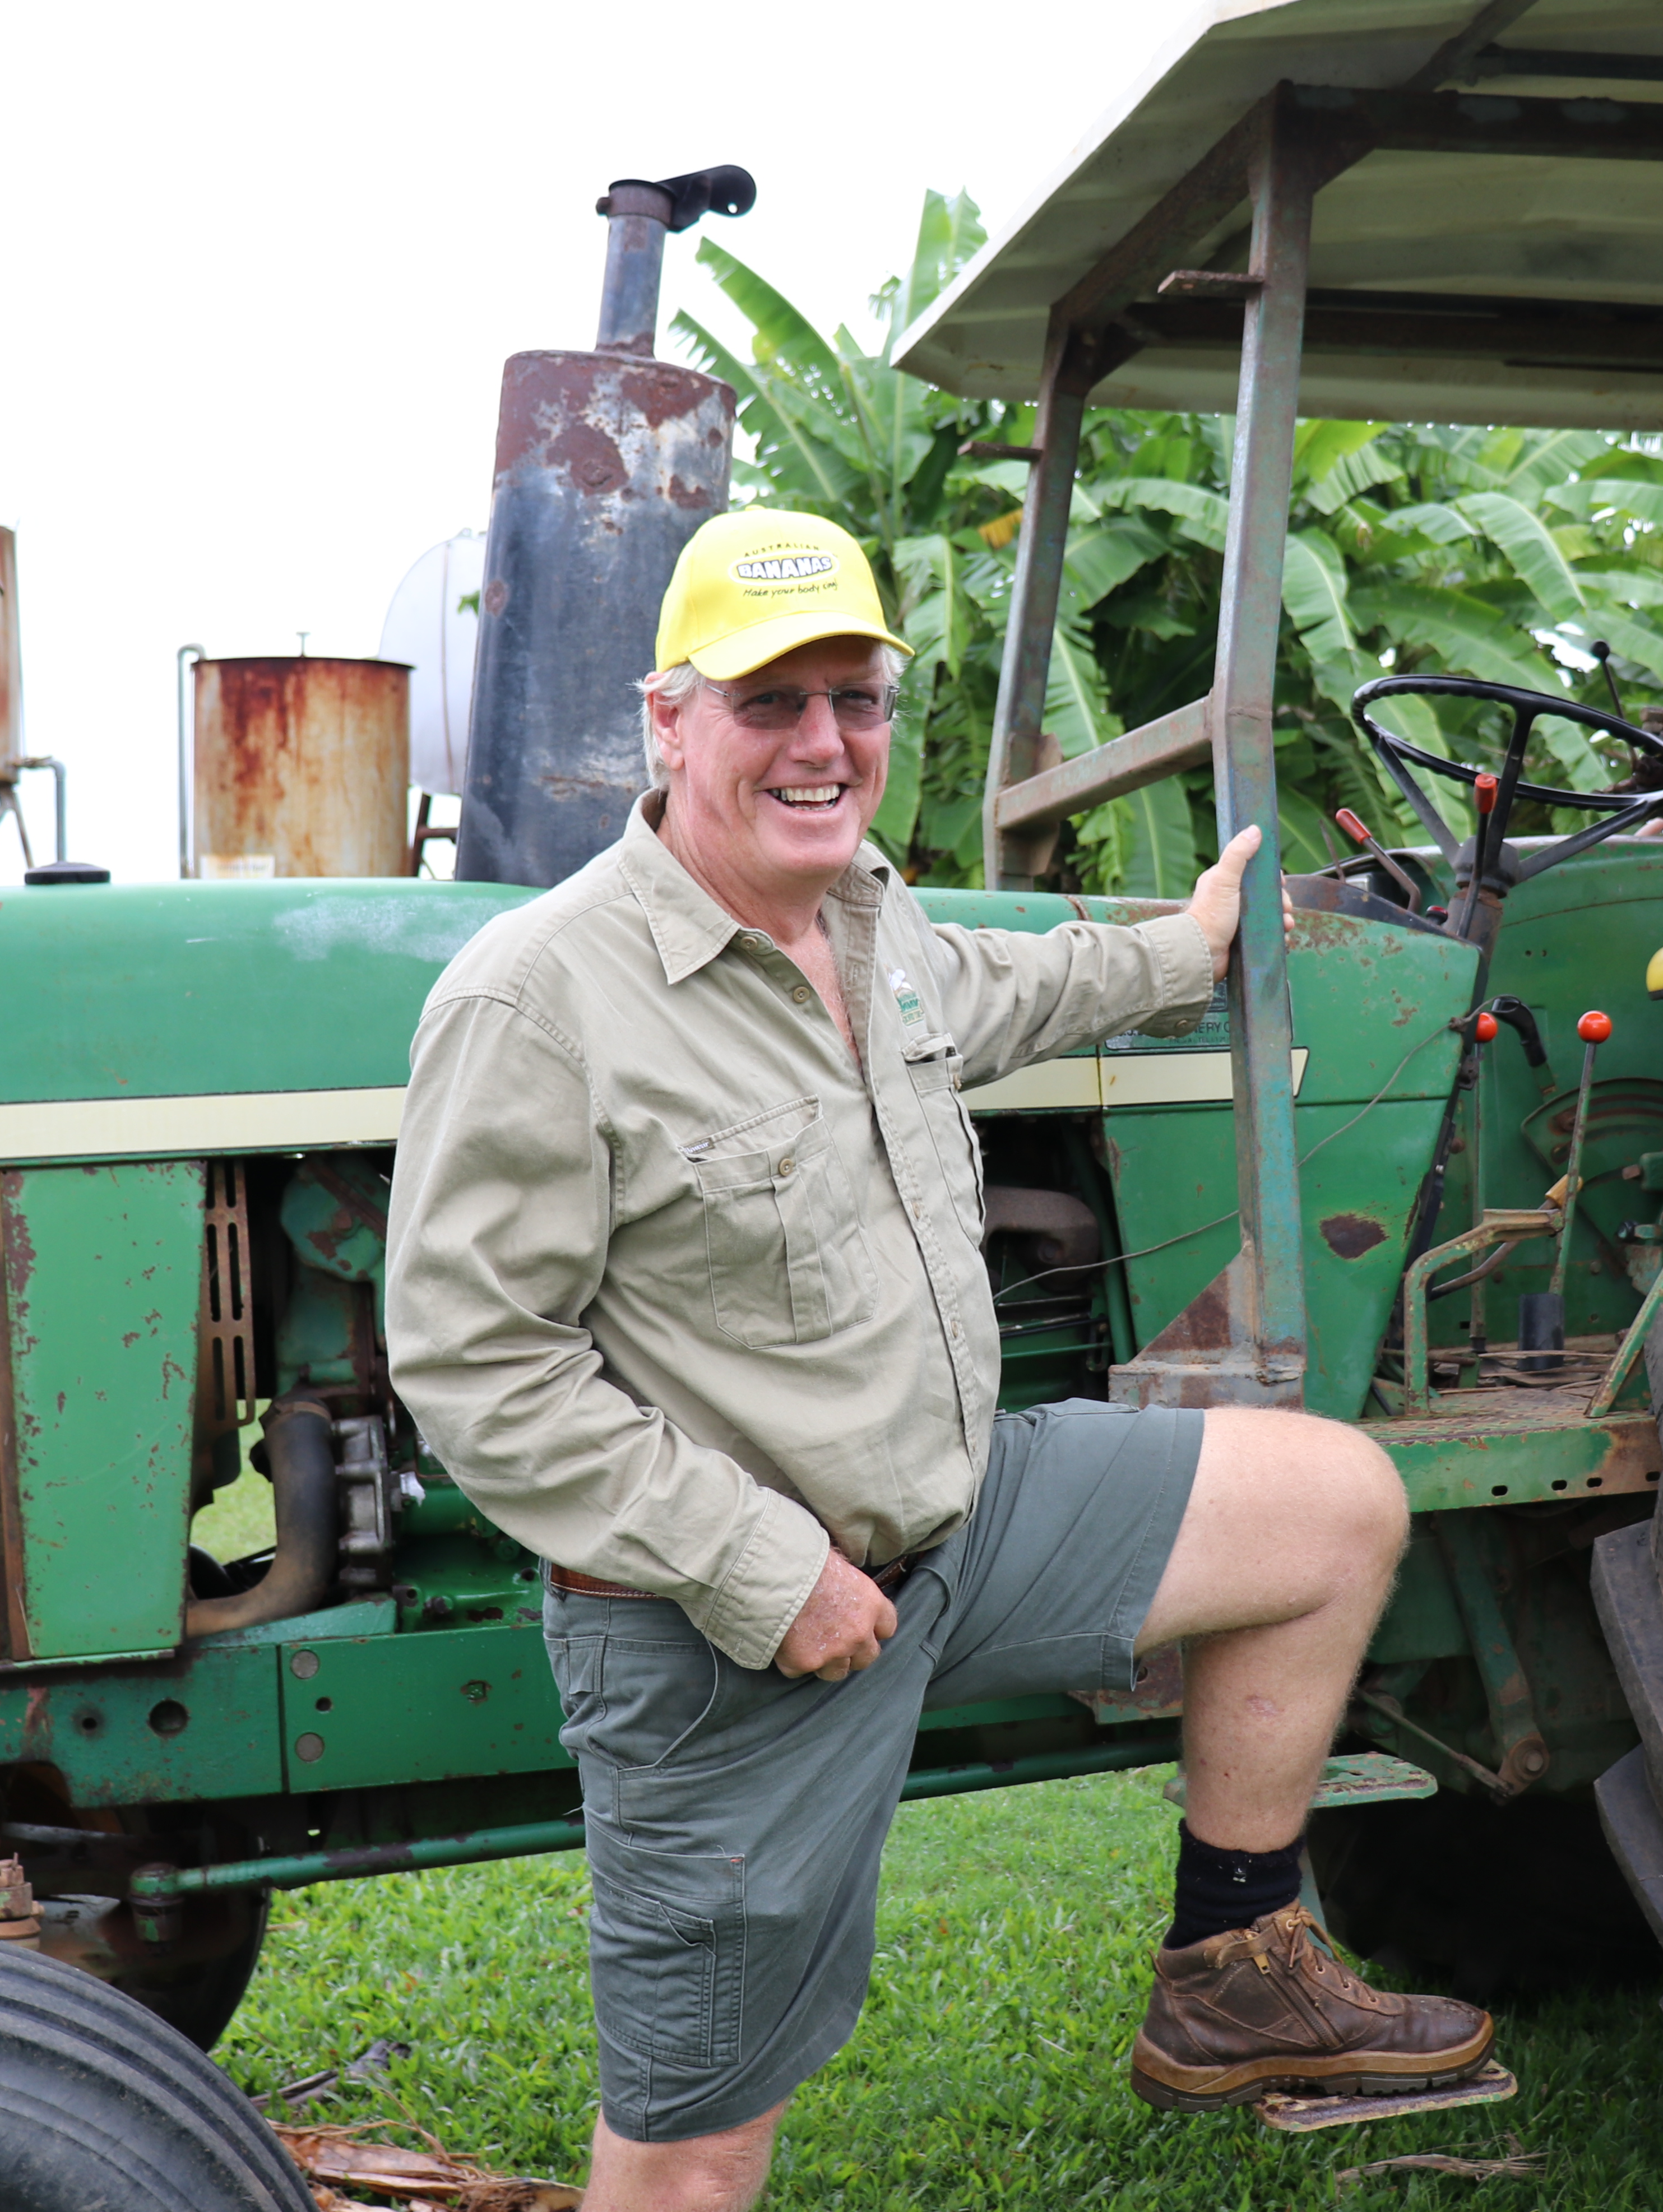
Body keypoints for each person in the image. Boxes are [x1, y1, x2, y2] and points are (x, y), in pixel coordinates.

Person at [383, 507, 1490, 2211]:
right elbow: (476, 1370)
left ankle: (1228, 1971)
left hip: (964, 1518)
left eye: (860, 697)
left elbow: (1020, 992)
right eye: (772, 703)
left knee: (1332, 1505)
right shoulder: (539, 998)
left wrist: (1189, 947)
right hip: (734, 1616)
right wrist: (765, 1565)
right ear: (667, 721)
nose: (826, 743)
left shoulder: (875, 929)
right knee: (693, 2149)